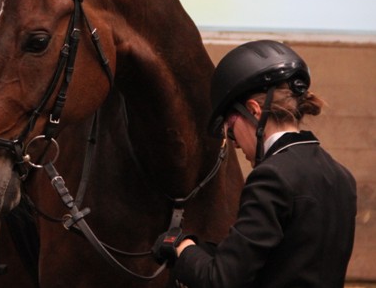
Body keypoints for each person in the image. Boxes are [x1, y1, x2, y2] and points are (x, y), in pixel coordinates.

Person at [152, 40, 357, 287]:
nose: (234, 143)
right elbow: (286, 264)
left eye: (230, 129)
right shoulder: (342, 176)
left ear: (254, 110)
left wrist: (181, 247)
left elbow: (220, 280)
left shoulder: (272, 177)